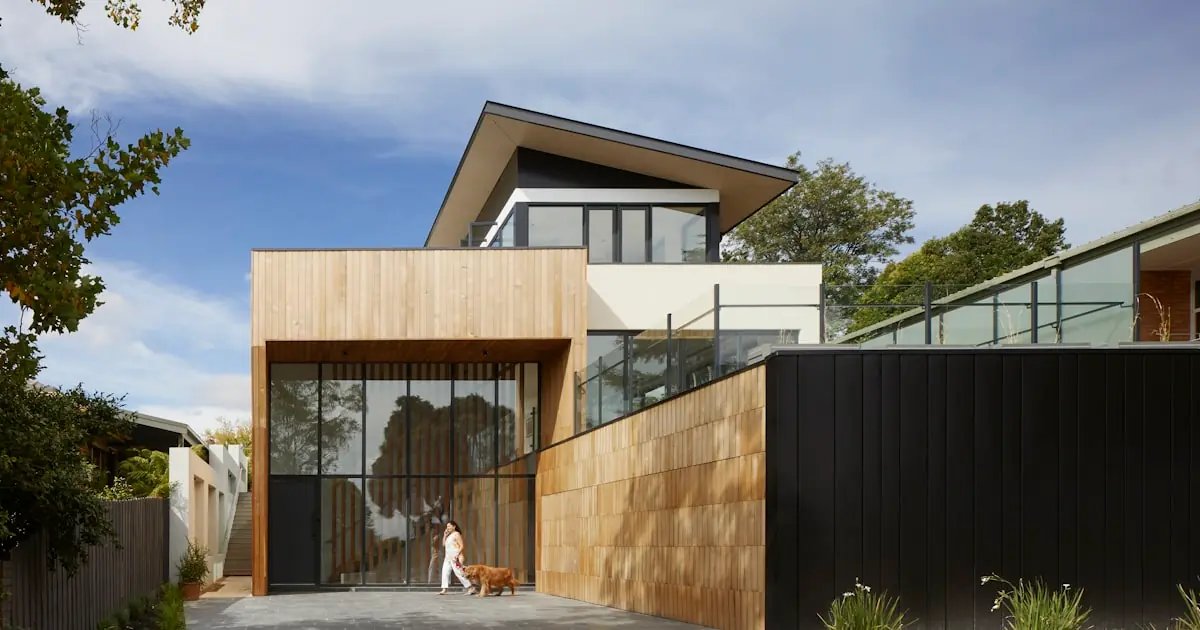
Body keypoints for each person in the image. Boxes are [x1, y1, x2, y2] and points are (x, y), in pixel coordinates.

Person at [437, 520, 475, 595]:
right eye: (447, 526)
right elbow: (444, 545)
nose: (447, 528)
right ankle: (444, 589)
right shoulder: (448, 535)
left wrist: (458, 555)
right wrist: (444, 535)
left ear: (454, 526)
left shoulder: (456, 534)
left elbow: (462, 546)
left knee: (459, 573)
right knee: (444, 572)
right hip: (448, 557)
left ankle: (471, 587)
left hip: (455, 557)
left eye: (449, 526)